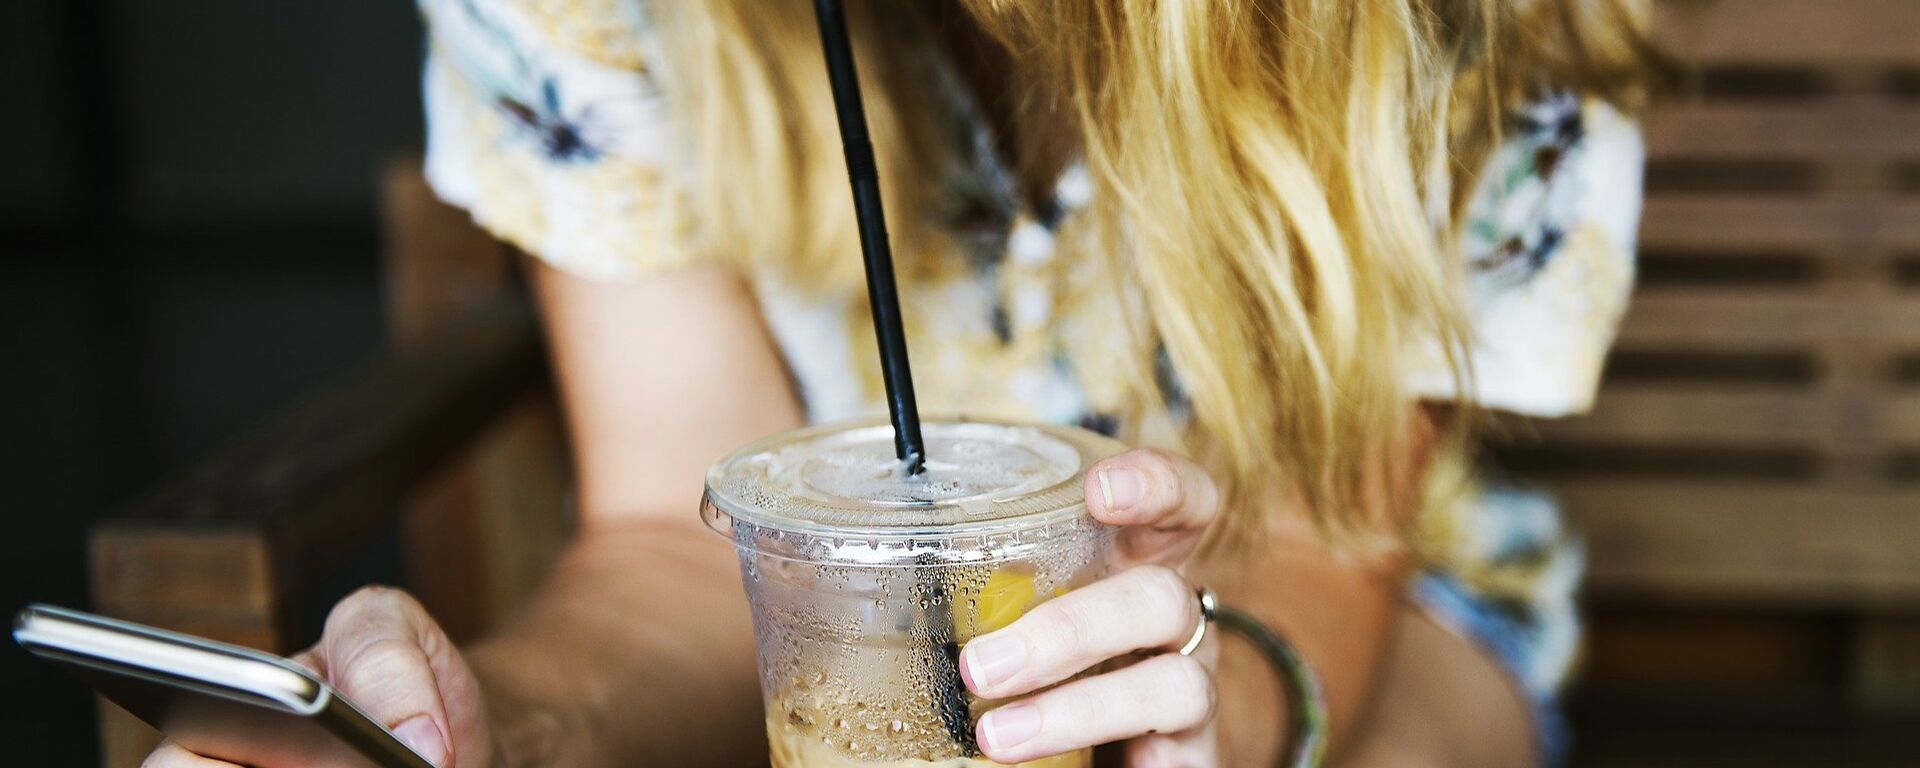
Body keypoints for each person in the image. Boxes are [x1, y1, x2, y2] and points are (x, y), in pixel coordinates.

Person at [148, 1, 1663, 765]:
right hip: (850, 650)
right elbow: (681, 540)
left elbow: (1333, 543)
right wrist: (492, 728)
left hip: (1350, 618)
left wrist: (1186, 704)